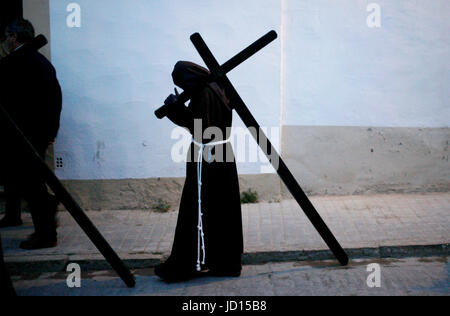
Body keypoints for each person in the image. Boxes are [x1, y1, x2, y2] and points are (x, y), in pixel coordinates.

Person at [155, 61, 243, 282]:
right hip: (223, 154)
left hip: (208, 157)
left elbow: (201, 129)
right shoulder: (219, 86)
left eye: (184, 85)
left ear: (189, 78)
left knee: (198, 208)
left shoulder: (203, 92)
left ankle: (187, 265)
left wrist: (175, 109)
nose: (185, 89)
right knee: (222, 208)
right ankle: (225, 262)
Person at [0, 19, 62, 250]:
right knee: (22, 179)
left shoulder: (22, 62)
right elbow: (55, 99)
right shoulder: (35, 61)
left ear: (14, 37)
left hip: (27, 135)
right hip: (32, 133)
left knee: (32, 185)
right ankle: (17, 216)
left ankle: (46, 234)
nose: (6, 40)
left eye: (7, 35)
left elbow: (50, 99)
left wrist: (48, 131)